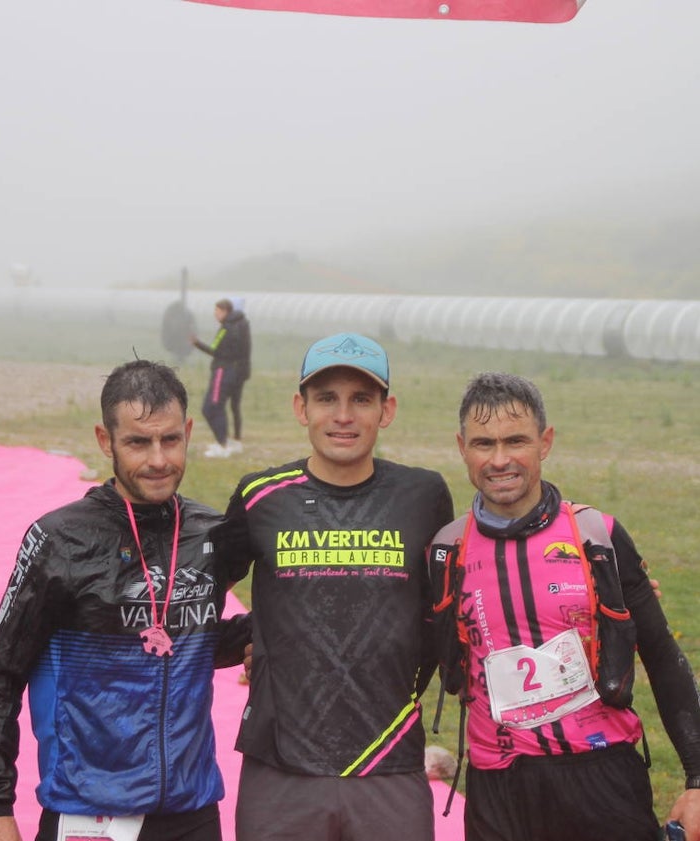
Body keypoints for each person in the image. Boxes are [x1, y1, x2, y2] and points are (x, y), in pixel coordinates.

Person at [429, 371, 700, 841]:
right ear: (461, 446)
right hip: (498, 787)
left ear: (545, 442)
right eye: (483, 443)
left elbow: (661, 654)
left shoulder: (598, 536)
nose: (500, 460)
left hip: (601, 775)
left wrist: (698, 777)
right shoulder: (445, 550)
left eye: (516, 441)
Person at [0, 359, 251, 841]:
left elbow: (188, 638)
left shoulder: (209, 532)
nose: (158, 459)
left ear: (189, 432)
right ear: (105, 440)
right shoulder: (59, 540)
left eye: (170, 439)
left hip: (193, 814)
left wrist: (263, 636)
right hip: (89, 813)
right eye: (137, 442)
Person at [211, 332, 455, 841]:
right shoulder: (260, 497)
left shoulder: (424, 494)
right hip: (281, 768)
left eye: (360, 399)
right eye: (327, 398)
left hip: (388, 760)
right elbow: (199, 597)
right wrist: (257, 643)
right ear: (301, 408)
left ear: (386, 411)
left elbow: (442, 613)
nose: (343, 415)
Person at [191, 298, 251, 459]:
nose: (215, 314)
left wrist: (196, 343)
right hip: (238, 373)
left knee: (212, 407)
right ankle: (230, 442)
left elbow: (214, 349)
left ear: (225, 311)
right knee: (230, 406)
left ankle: (222, 445)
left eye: (217, 311)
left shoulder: (226, 328)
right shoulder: (243, 325)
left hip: (222, 372)